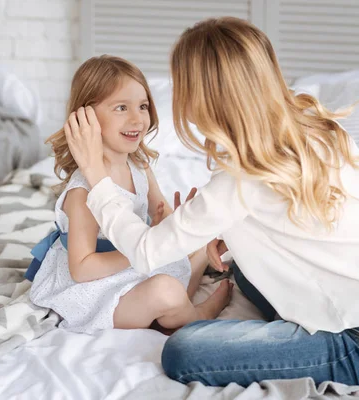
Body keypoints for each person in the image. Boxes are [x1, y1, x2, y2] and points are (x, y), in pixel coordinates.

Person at [63, 18, 359, 387]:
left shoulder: (237, 181)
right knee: (244, 271)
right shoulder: (318, 127)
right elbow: (307, 219)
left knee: (183, 353)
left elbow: (147, 251)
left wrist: (97, 177)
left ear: (203, 96)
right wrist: (234, 235)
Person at [27, 55, 233, 335]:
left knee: (198, 239)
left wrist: (171, 220)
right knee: (166, 290)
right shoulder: (82, 192)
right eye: (121, 107)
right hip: (96, 288)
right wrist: (142, 250)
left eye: (143, 106)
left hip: (133, 263)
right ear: (85, 118)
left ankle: (173, 306)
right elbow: (82, 269)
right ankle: (197, 314)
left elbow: (160, 209)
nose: (137, 118)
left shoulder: (138, 164)